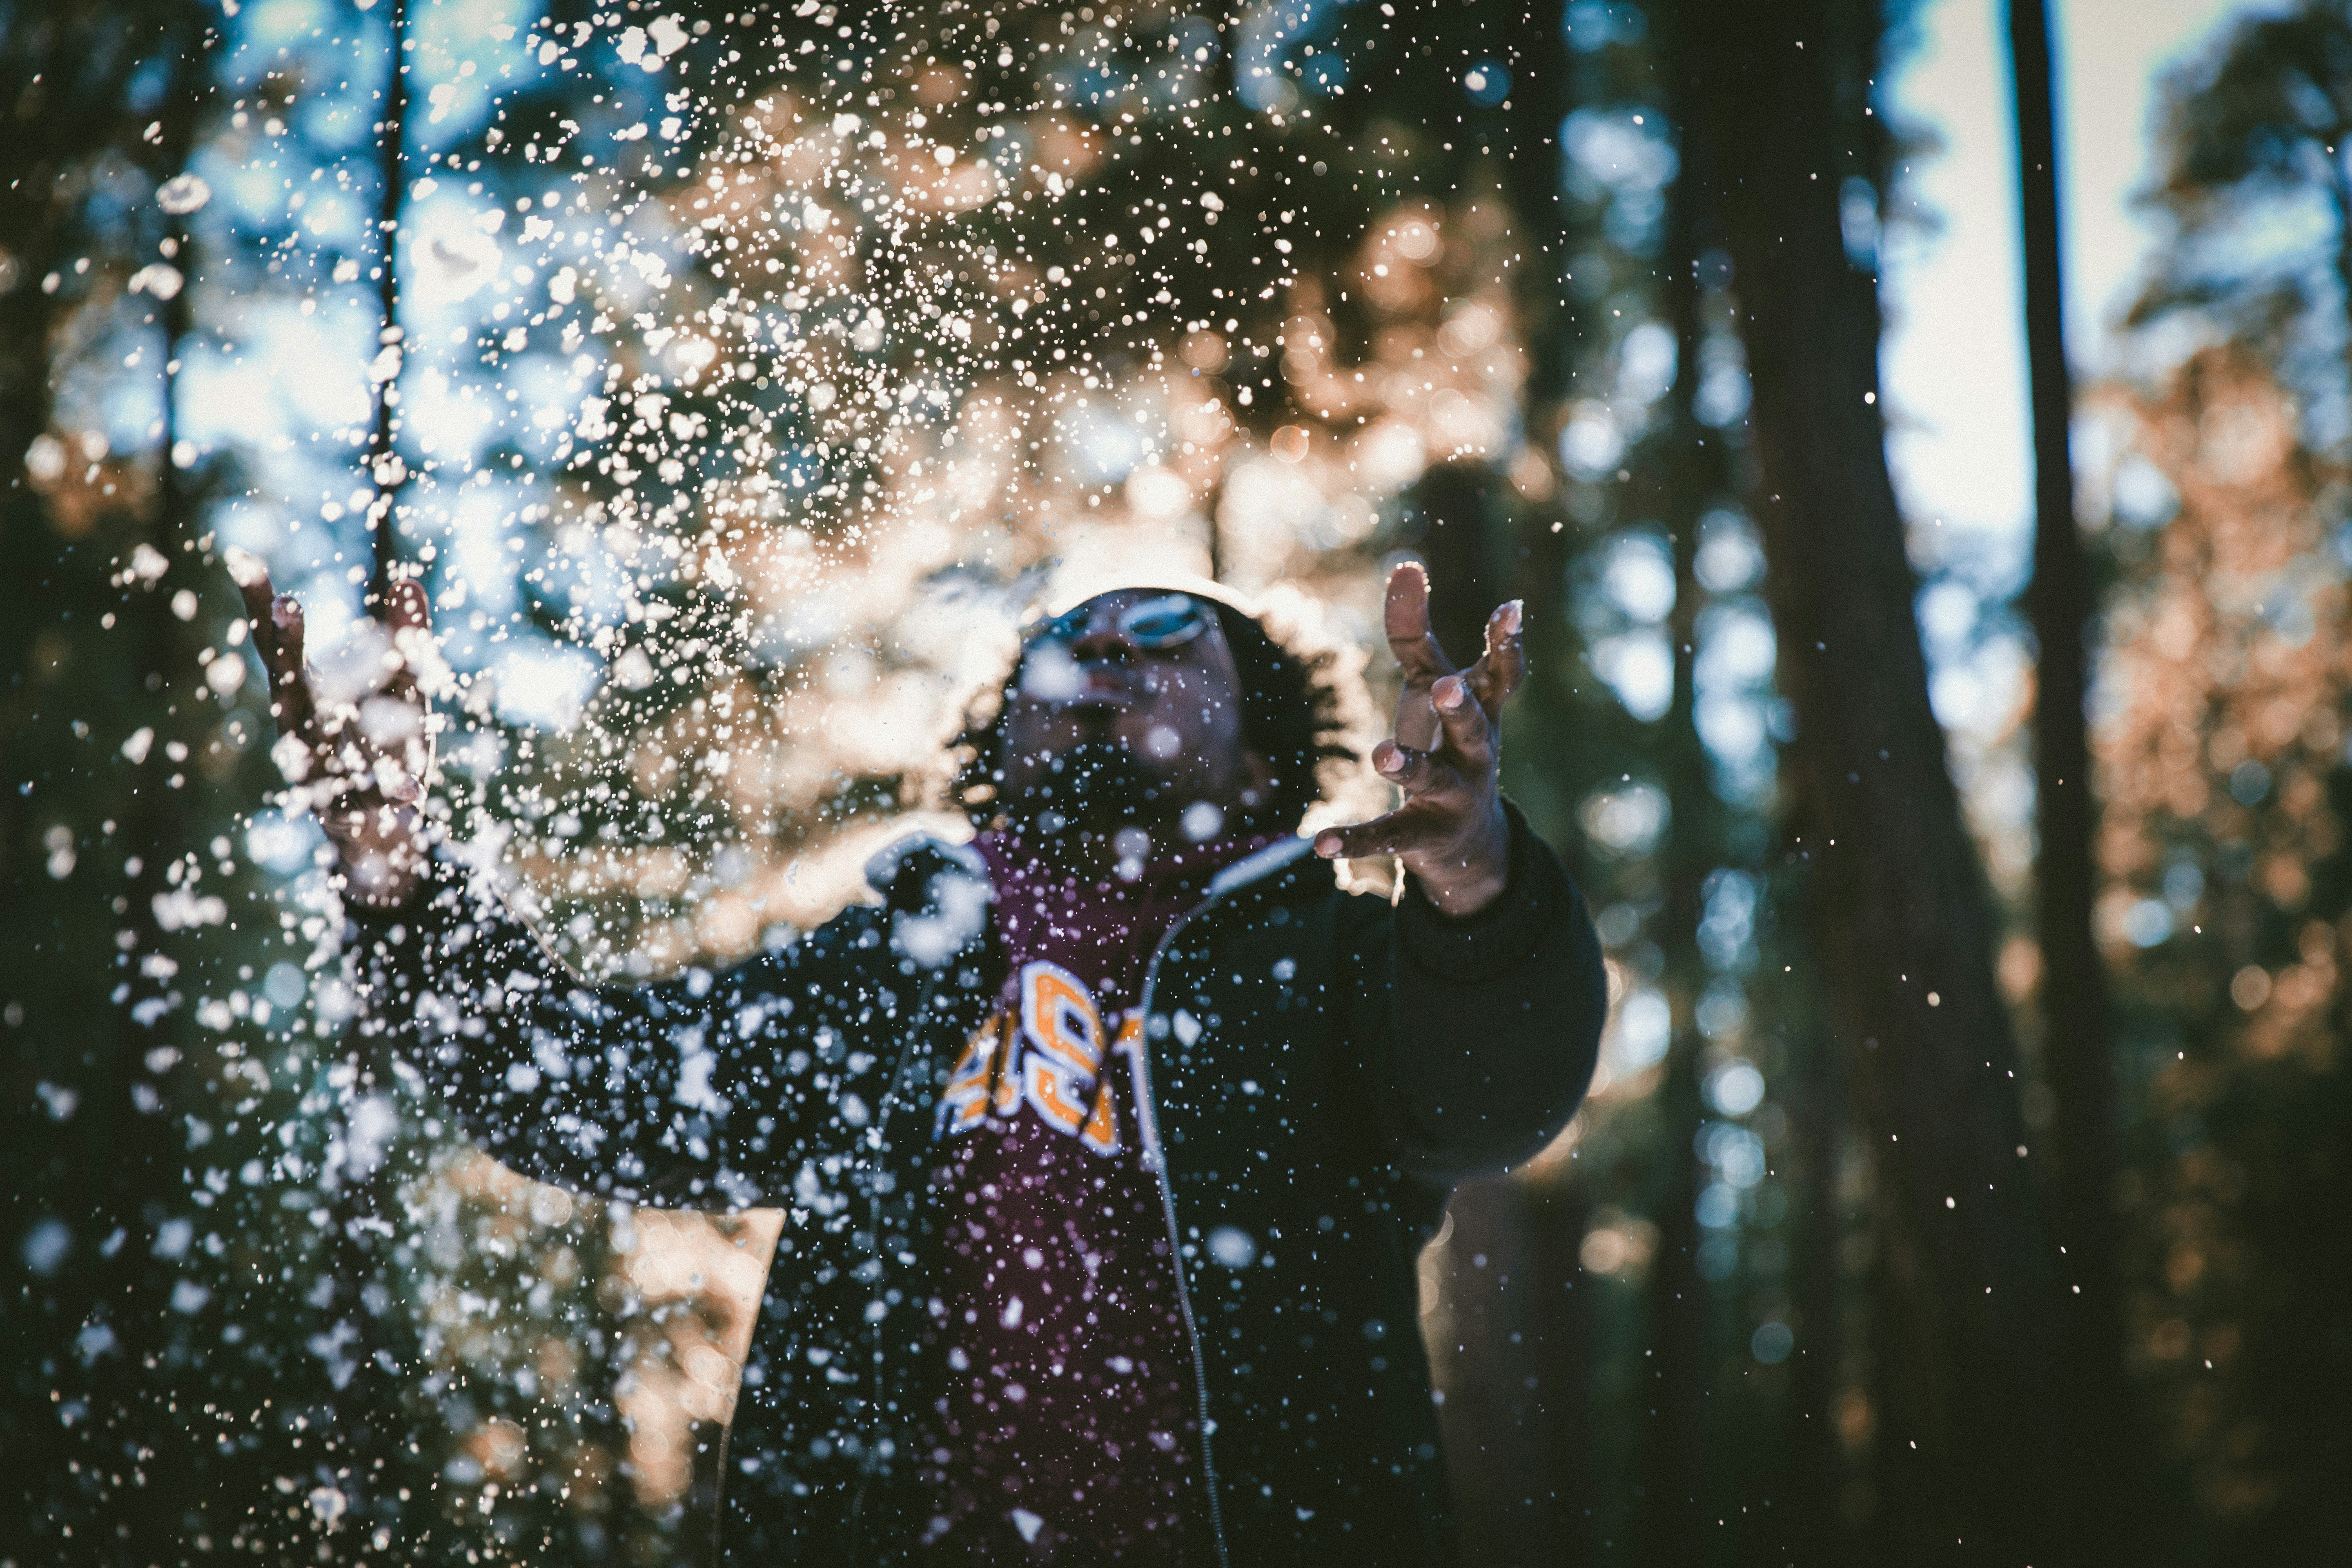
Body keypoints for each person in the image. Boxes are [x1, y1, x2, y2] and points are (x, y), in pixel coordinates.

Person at [234, 557, 1606, 1566]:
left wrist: (1477, 872)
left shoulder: (1331, 961)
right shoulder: (895, 963)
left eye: (1164, 642)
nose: (1103, 660)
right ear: (1004, 729)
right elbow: (589, 1084)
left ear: (1262, 756)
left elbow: (1495, 1098)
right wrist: (397, 877)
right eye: (1068, 647)